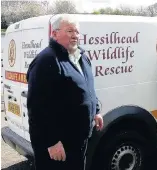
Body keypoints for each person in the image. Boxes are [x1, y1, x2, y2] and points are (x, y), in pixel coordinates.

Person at [26, 14, 103, 170]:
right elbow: (37, 108)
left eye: (77, 31)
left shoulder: (81, 56)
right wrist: (51, 141)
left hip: (78, 139)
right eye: (69, 31)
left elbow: (88, 88)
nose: (75, 35)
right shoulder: (47, 60)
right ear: (54, 34)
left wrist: (96, 111)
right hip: (59, 145)